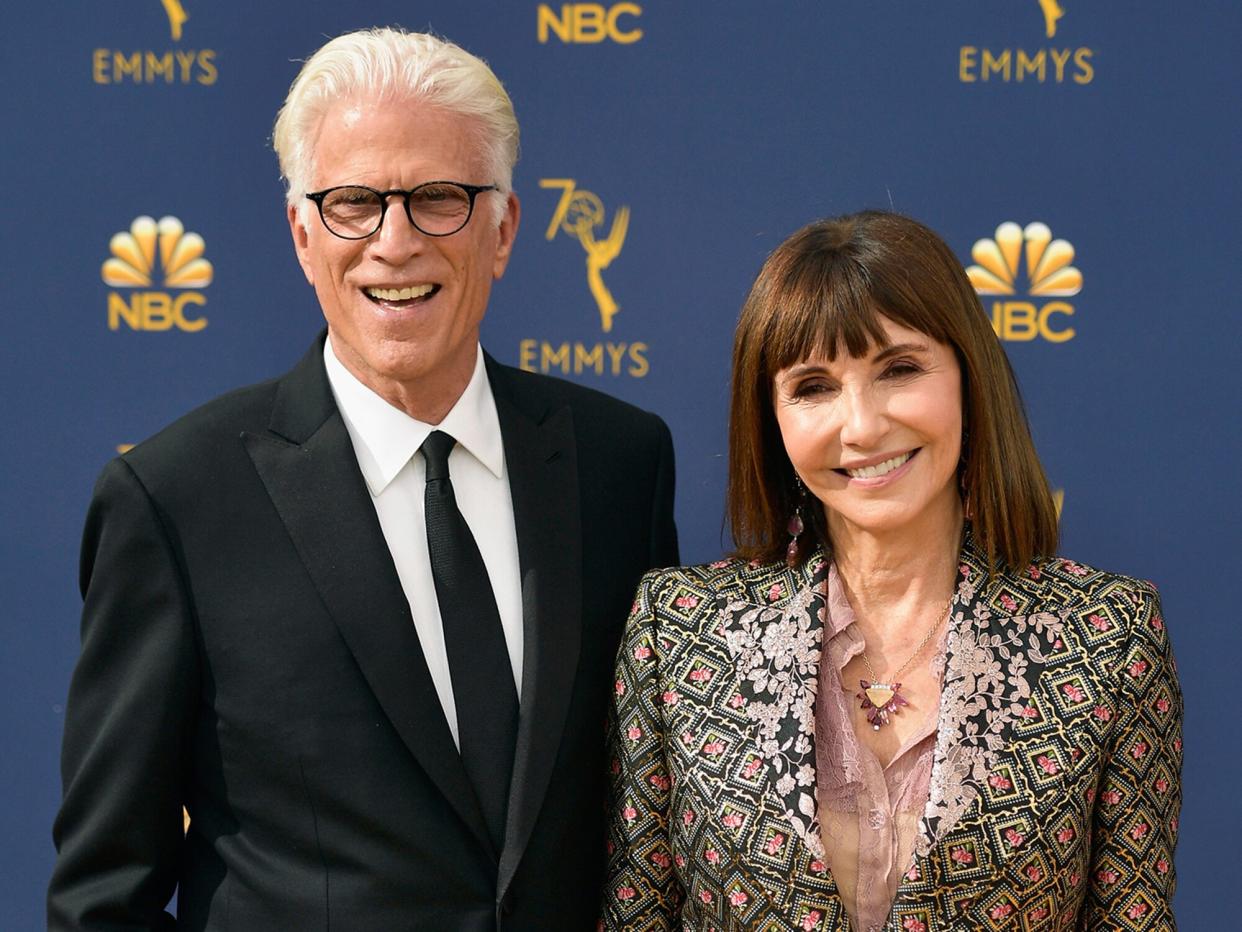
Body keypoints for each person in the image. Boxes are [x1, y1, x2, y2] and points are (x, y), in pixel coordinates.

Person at [49, 28, 677, 931]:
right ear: (304, 236)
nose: (394, 242)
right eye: (353, 203)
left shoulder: (620, 463)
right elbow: (105, 895)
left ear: (503, 228)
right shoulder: (177, 500)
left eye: (437, 198)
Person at [602, 211, 1180, 931]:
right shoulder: (678, 631)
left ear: (969, 378)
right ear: (771, 418)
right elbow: (636, 915)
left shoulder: (1106, 637)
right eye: (813, 386)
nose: (862, 426)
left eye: (899, 370)